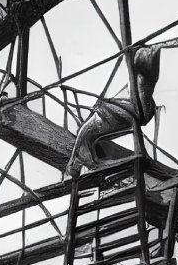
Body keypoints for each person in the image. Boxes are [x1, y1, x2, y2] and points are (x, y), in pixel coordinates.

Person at [65, 46, 161, 177]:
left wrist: (71, 160)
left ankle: (152, 52)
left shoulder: (87, 141)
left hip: (123, 114)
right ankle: (152, 52)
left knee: (145, 82)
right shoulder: (91, 152)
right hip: (133, 114)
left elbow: (82, 132)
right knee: (146, 82)